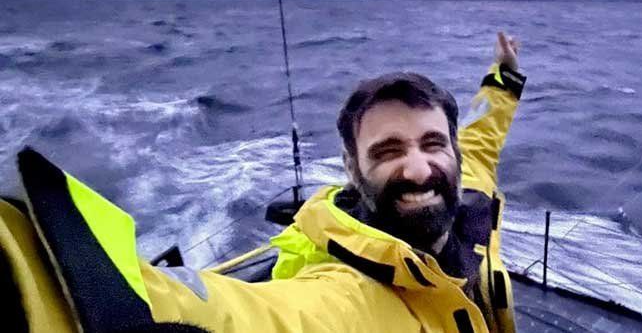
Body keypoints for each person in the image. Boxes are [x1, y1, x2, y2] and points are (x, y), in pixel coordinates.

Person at [0, 32, 526, 333]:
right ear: (352, 168)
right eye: (387, 151)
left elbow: (482, 137)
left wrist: (501, 80)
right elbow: (244, 316)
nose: (417, 168)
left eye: (432, 144)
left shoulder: (467, 192)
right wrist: (42, 277)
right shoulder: (347, 297)